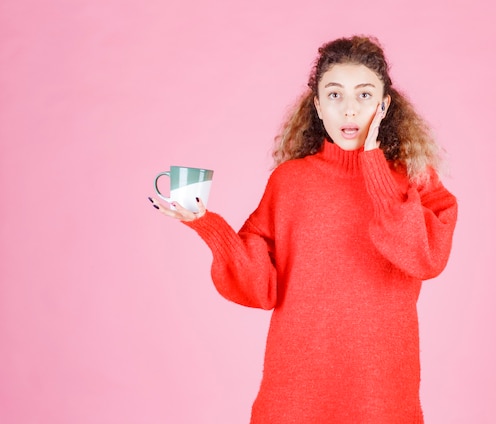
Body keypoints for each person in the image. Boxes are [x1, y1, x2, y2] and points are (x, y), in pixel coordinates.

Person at [149, 35, 458, 424]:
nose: (349, 110)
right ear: (317, 106)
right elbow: (259, 285)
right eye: (334, 95)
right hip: (297, 385)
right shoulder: (289, 182)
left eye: (364, 96)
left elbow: (424, 257)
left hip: (380, 388)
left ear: (384, 105)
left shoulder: (416, 179)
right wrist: (205, 224)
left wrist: (374, 164)